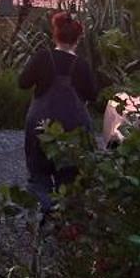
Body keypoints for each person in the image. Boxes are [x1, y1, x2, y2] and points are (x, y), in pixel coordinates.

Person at [19, 11, 100, 208]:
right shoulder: (81, 65)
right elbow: (93, 96)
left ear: (54, 33)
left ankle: (44, 217)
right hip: (74, 129)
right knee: (71, 179)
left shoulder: (42, 58)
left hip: (40, 125)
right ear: (78, 39)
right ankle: (66, 222)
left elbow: (22, 83)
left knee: (38, 175)